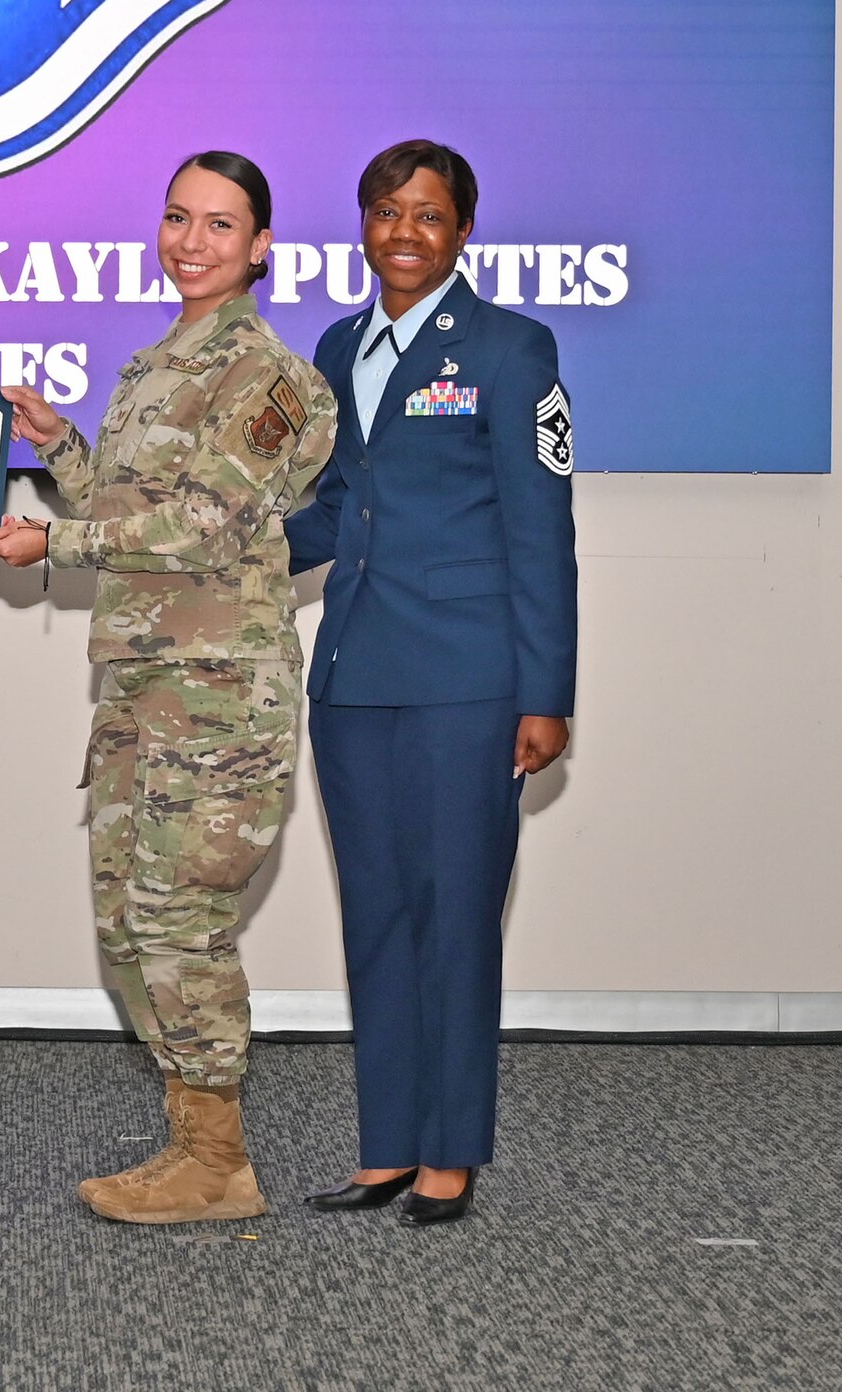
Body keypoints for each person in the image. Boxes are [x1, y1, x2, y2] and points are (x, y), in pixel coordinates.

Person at [0, 152, 337, 1225]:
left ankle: (218, 1159)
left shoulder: (271, 379)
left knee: (180, 915)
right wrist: (59, 447)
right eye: (176, 216)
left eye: (218, 225)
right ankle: (190, 1141)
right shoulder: (151, 365)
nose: (190, 240)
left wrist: (56, 537)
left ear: (260, 244)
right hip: (142, 686)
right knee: (129, 921)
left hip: (221, 694)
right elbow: (136, 507)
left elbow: (202, 524)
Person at [287, 139, 576, 1227]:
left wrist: (544, 692)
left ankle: (450, 1149)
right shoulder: (335, 344)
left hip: (468, 679)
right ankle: (386, 1145)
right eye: (382, 211)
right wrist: (221, 559)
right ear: (360, 222)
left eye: (426, 214)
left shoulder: (509, 349)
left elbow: (539, 530)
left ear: (460, 232)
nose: (401, 232)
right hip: (353, 673)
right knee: (375, 915)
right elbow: (326, 511)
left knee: (453, 914)